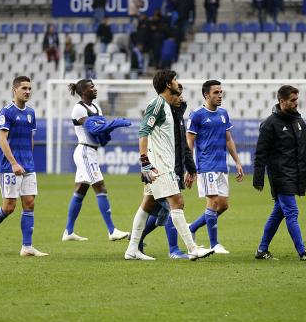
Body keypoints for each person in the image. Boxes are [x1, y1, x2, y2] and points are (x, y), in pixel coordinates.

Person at [124, 70, 214, 260]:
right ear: (167, 84)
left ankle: (132, 249)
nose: (177, 83)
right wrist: (145, 161)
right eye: (174, 80)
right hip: (159, 165)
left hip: (162, 164)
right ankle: (192, 249)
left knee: (147, 205)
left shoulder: (166, 106)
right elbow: (143, 131)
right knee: (177, 202)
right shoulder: (156, 104)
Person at [253, 85, 306, 260]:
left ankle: (261, 250)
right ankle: (302, 251)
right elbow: (261, 153)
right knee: (292, 212)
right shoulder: (269, 124)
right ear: (281, 101)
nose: (296, 103)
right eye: (292, 100)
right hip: (279, 175)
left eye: (297, 99)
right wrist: (258, 178)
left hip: (295, 173)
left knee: (278, 213)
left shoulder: (298, 122)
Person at [0, 76, 48, 257]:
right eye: (24, 88)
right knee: (8, 207)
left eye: (30, 88)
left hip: (28, 165)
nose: (28, 91)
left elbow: (30, 138)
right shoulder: (6, 112)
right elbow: (2, 139)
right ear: (14, 89)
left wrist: (28, 160)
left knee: (29, 204)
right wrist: (14, 162)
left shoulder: (31, 112)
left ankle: (27, 246)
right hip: (10, 166)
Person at [62, 80, 130, 242]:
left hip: (91, 151)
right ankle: (112, 231)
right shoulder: (79, 108)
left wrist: (107, 132)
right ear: (83, 91)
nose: (95, 89)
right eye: (91, 87)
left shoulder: (97, 107)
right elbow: (92, 128)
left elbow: (100, 131)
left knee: (80, 190)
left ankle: (68, 232)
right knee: (100, 187)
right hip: (84, 151)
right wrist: (114, 124)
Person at [137, 83, 198, 259]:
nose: (180, 98)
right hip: (160, 167)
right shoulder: (161, 111)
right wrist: (145, 162)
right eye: (177, 95)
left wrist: (191, 167)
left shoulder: (177, 116)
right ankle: (175, 250)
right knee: (174, 206)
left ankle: (135, 242)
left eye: (181, 95)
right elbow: (146, 134)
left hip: (173, 167)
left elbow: (183, 145)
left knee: (157, 210)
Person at [186, 80, 244, 254]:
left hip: (221, 165)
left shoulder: (224, 113)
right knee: (212, 202)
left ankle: (192, 228)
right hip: (205, 166)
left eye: (221, 92)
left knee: (223, 205)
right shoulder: (196, 115)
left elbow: (228, 139)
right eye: (216, 92)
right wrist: (190, 167)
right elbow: (190, 141)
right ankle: (214, 244)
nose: (220, 95)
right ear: (206, 95)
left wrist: (237, 161)